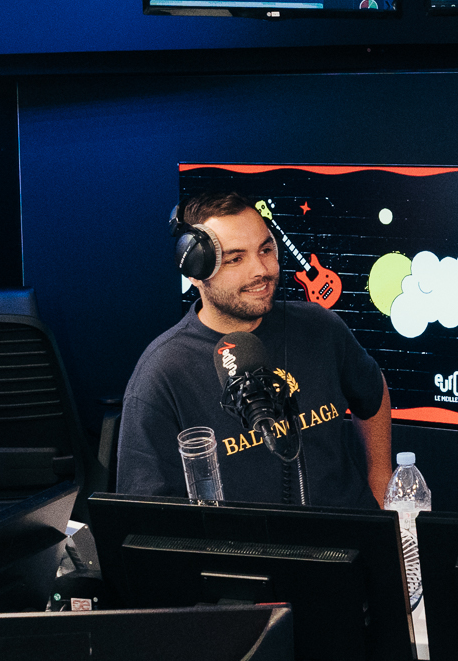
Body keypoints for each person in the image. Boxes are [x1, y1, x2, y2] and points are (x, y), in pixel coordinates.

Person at [119, 190, 394, 507]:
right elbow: (144, 507)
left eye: (265, 250)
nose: (261, 270)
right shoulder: (163, 372)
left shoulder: (320, 327)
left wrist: (381, 484)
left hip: (351, 531)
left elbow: (372, 390)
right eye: (235, 259)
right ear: (195, 271)